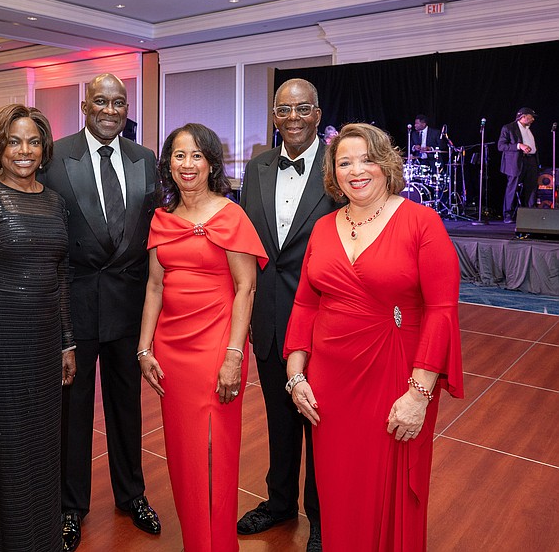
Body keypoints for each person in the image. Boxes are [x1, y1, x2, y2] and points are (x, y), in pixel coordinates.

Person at [285, 123, 463, 551]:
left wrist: (419, 395)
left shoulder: (422, 222)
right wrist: (295, 374)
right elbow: (306, 304)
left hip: (396, 378)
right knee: (339, 487)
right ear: (334, 173)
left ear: (387, 164)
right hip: (328, 385)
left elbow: (441, 312)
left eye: (366, 159)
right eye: (344, 162)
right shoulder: (324, 227)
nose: (356, 170)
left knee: (388, 490)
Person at [39, 73, 160, 551]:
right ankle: (70, 506)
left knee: (127, 407)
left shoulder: (145, 159)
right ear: (85, 104)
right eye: (101, 102)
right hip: (73, 307)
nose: (111, 110)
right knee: (73, 412)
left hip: (129, 307)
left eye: (119, 103)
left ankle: (132, 494)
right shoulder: (55, 157)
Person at [0, 104, 76, 551]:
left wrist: (67, 343)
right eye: (14, 142)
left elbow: (61, 277)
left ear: (44, 149)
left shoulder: (54, 201)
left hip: (43, 351)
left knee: (41, 454)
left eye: (33, 141)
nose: (24, 151)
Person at [137, 123, 267, 552]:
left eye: (196, 155)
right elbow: (155, 286)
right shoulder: (162, 220)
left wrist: (234, 354)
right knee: (184, 453)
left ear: (211, 162)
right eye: (178, 155)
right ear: (168, 164)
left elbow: (245, 288)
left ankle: (219, 545)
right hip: (172, 349)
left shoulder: (231, 216)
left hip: (218, 344)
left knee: (216, 450)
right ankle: (197, 541)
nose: (187, 164)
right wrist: (144, 348)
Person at [238, 78, 338, 551]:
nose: (293, 117)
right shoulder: (257, 166)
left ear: (318, 114)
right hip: (270, 316)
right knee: (279, 420)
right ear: (274, 117)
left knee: (320, 424)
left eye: (303, 109)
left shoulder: (337, 168)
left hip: (323, 319)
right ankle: (280, 504)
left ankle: (321, 518)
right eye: (284, 109)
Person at [498, 107, 539, 223]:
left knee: (531, 188)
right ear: (523, 117)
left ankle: (531, 214)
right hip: (515, 162)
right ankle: (507, 214)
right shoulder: (509, 128)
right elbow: (501, 146)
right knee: (512, 188)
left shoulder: (529, 129)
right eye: (531, 117)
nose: (532, 120)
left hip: (531, 161)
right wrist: (518, 146)